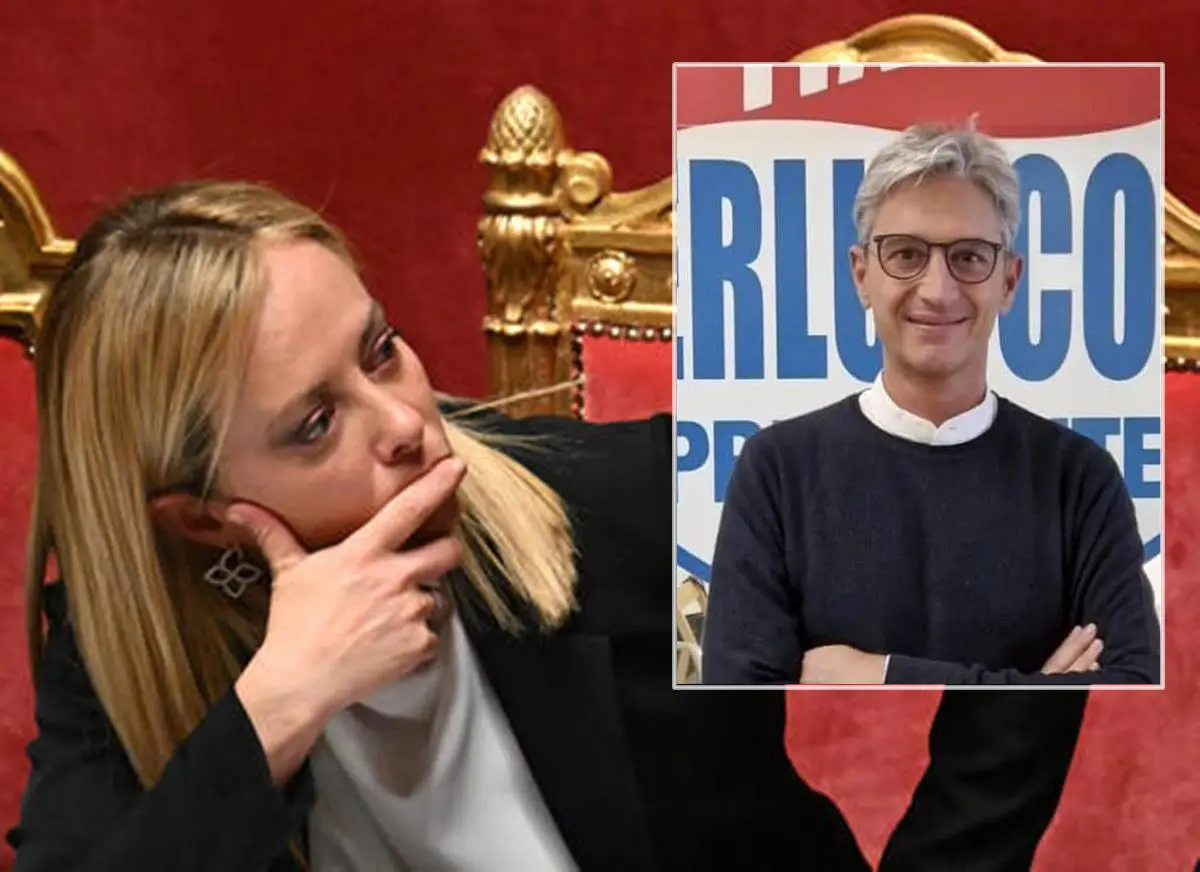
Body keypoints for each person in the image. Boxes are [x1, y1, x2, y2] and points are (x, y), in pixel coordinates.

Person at [7, 180, 1085, 872]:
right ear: (201, 516)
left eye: (380, 349)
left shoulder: (628, 507)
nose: (406, 421)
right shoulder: (121, 647)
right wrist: (277, 706)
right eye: (316, 422)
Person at [700, 123, 1161, 687]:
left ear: (1009, 282)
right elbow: (739, 705)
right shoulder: (777, 468)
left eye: (969, 257)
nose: (938, 290)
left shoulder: (1079, 479)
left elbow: (1131, 694)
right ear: (861, 274)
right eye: (906, 255)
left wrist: (881, 674)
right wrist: (1033, 693)